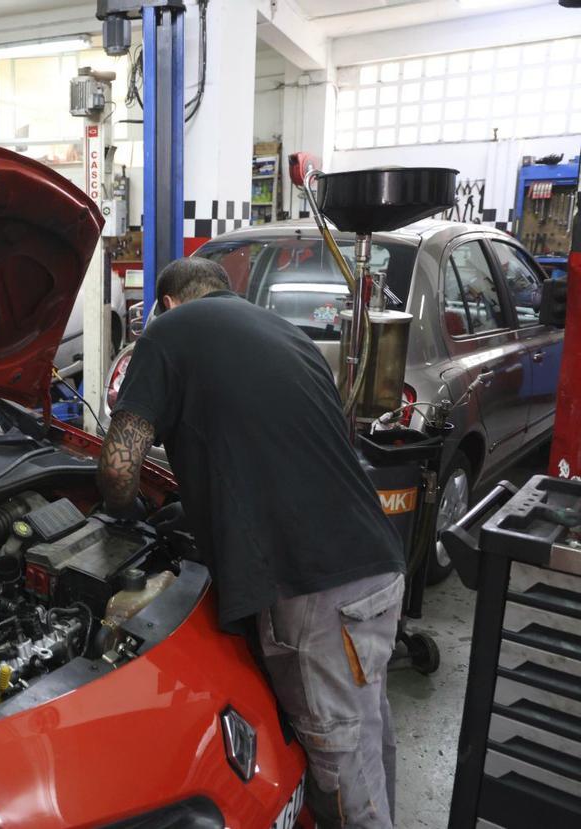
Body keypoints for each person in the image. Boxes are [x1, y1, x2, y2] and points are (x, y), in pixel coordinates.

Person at [97, 257, 405, 829]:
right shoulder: (285, 334)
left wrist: (120, 519)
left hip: (315, 588)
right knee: (367, 734)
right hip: (376, 566)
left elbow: (118, 471)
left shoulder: (167, 331)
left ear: (167, 304)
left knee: (343, 777)